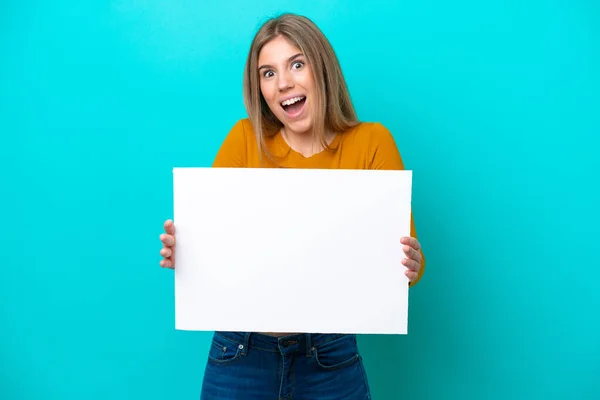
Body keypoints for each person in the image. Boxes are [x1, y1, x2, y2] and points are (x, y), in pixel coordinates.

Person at [159, 13, 425, 400]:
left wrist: (411, 264)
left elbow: (404, 268)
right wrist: (185, 251)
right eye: (267, 73)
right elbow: (211, 249)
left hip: (329, 356)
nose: (283, 83)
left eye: (296, 64)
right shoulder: (243, 140)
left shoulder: (372, 142)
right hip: (240, 353)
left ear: (322, 69)